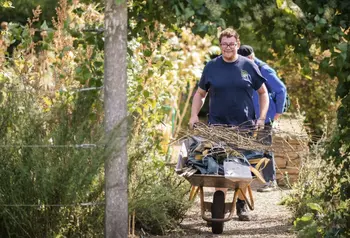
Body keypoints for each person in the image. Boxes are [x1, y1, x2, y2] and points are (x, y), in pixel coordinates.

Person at [189, 28, 269, 221]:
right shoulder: (211, 67)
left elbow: (263, 93)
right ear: (220, 45)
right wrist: (193, 115)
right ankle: (220, 204)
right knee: (220, 168)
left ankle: (240, 205)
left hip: (244, 127)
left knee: (241, 167)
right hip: (218, 128)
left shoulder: (248, 66)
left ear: (237, 44)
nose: (228, 48)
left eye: (231, 44)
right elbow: (200, 94)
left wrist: (261, 118)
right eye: (224, 44)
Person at [238, 45, 287, 192]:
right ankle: (241, 178)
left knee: (265, 147)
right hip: (248, 116)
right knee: (242, 146)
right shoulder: (241, 67)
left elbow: (281, 89)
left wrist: (279, 111)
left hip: (264, 116)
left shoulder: (264, 69)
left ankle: (271, 182)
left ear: (252, 57)